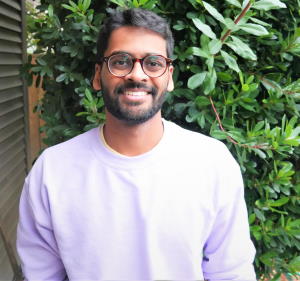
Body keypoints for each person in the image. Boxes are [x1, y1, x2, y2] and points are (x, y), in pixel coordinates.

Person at [17, 8, 256, 281]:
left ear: (169, 77)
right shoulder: (52, 171)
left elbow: (231, 274)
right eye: (121, 61)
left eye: (153, 63)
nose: (137, 75)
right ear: (98, 75)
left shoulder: (212, 163)